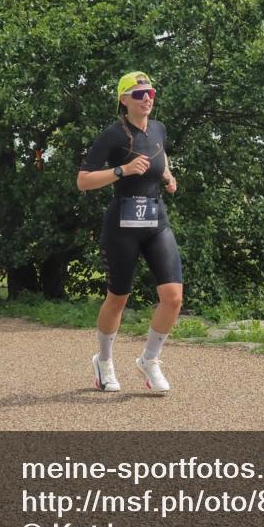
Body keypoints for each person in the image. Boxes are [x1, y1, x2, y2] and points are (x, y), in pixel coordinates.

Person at [77, 71, 181, 394]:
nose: (147, 98)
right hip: (122, 226)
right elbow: (83, 181)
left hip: (155, 222)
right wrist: (120, 170)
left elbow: (158, 158)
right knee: (118, 298)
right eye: (138, 94)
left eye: (150, 92)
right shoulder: (113, 135)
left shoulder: (159, 129)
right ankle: (104, 361)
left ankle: (150, 360)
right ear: (124, 100)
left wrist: (168, 176)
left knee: (174, 297)